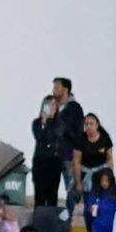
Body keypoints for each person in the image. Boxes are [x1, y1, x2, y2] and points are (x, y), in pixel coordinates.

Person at [31, 77, 80, 210]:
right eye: (48, 105)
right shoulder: (37, 122)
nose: (51, 108)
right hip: (40, 161)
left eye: (53, 105)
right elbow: (40, 136)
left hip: (55, 161)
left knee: (52, 195)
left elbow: (55, 136)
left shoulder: (60, 122)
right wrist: (43, 122)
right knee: (39, 195)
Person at [74, 114, 115, 204]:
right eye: (86, 124)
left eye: (91, 124)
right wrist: (78, 183)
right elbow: (76, 162)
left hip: (101, 175)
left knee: (102, 201)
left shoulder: (105, 138)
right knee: (89, 202)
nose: (88, 126)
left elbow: (110, 159)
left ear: (97, 125)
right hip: (86, 175)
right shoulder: (80, 139)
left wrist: (110, 177)